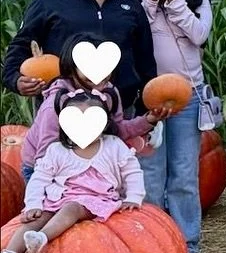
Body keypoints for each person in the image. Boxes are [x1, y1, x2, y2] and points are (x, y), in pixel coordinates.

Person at [3, 0, 157, 115]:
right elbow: (20, 46)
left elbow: (145, 60)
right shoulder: (49, 2)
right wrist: (15, 79)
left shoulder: (129, 5)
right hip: (58, 110)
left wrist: (145, 110)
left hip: (120, 111)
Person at [2, 91, 145, 253]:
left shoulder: (114, 146)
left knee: (72, 209)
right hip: (59, 197)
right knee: (37, 217)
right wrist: (34, 204)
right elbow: (40, 178)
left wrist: (134, 196)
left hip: (97, 199)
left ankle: (42, 237)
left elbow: (132, 171)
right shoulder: (57, 150)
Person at [140, 0, 212, 253]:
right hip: (149, 98)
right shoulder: (141, 5)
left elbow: (199, 35)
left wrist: (175, 1)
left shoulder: (199, 2)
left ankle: (187, 243)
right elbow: (135, 33)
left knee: (184, 172)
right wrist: (151, 1)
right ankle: (153, 242)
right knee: (150, 173)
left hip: (187, 97)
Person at [19, 34, 160, 179]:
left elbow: (116, 131)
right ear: (71, 69)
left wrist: (148, 120)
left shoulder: (109, 94)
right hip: (43, 169)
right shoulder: (56, 105)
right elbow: (45, 154)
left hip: (86, 163)